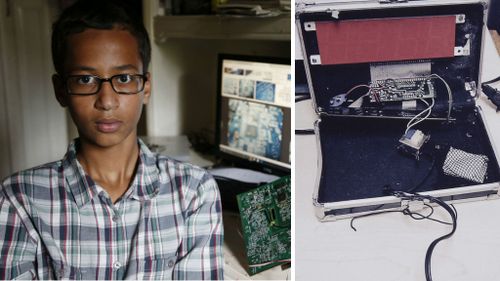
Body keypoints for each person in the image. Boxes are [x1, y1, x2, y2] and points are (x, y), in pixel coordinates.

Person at [0, 0, 224, 279]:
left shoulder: (193, 191)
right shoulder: (20, 198)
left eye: (125, 78)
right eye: (85, 80)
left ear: (146, 87)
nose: (106, 101)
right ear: (61, 90)